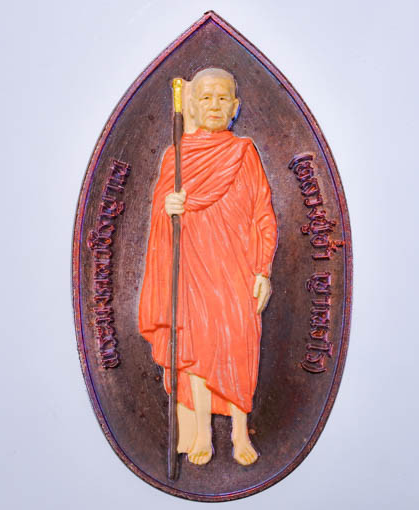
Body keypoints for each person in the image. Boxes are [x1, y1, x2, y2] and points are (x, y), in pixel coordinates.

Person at [138, 68, 277, 466]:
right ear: (193, 107)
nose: (214, 105)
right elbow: (161, 216)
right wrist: (168, 208)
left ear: (235, 107)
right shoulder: (177, 157)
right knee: (198, 347)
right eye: (205, 97)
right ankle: (201, 432)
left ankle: (239, 432)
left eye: (222, 98)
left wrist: (263, 270)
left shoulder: (244, 152)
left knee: (238, 344)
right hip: (195, 266)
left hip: (237, 266)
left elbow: (262, 212)